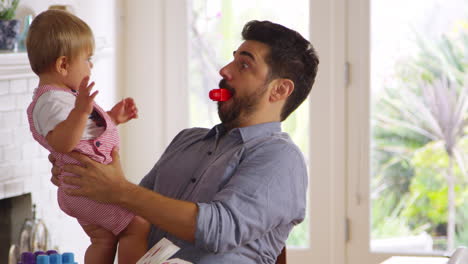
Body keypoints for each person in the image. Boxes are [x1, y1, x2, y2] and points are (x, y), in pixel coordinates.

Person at [52, 20, 319, 263]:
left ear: (280, 90)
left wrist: (118, 189)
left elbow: (219, 229)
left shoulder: (281, 158)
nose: (225, 70)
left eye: (244, 64)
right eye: (232, 59)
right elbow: (134, 211)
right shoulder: (188, 140)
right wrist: (84, 171)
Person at [26, 9, 149, 264]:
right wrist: (82, 110)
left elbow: (81, 134)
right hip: (86, 188)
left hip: (82, 188)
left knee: (103, 238)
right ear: (63, 65)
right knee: (136, 224)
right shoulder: (51, 100)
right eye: (87, 58)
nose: (91, 65)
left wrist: (113, 119)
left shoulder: (62, 98)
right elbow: (63, 142)